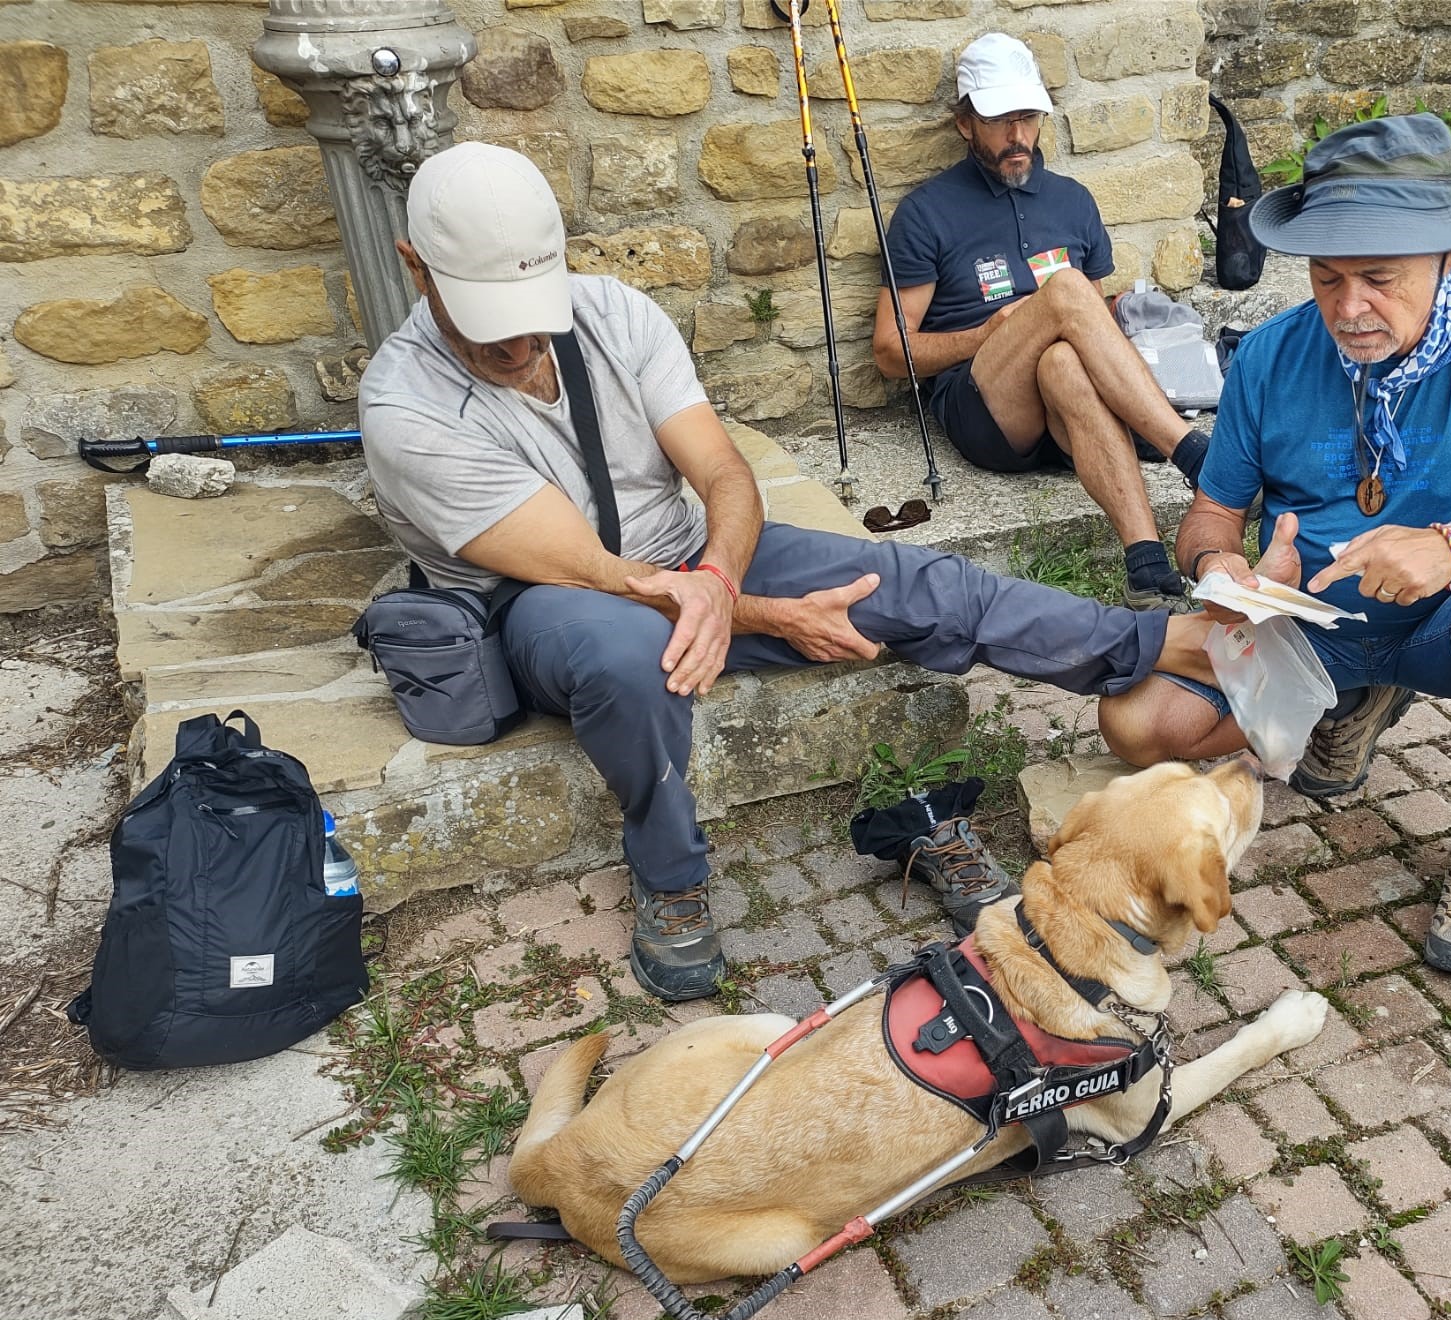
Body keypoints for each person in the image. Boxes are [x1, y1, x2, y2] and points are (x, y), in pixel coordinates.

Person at [358, 143, 1222, 1003]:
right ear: (415, 268)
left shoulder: (612, 314)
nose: (516, 340)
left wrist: (728, 588)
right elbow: (597, 573)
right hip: (558, 599)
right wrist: (770, 615)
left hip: (696, 562)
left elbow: (727, 478)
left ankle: (1162, 643)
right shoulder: (405, 405)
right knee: (629, 660)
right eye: (488, 315)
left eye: (528, 309)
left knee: (922, 583)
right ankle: (671, 877)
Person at [1098, 115, 1451, 979]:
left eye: (1380, 279)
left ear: (1444, 259)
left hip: (1450, 620)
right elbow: (1209, 514)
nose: (1350, 309)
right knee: (1133, 723)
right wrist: (1221, 570)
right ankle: (1351, 702)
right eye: (1326, 276)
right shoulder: (1271, 354)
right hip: (1304, 628)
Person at [870, 32, 1210, 611]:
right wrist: (988, 333)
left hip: (1067, 404)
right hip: (982, 402)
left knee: (1062, 357)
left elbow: (1095, 325)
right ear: (964, 124)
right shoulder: (926, 212)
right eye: (1001, 120)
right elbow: (888, 352)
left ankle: (1147, 565)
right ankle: (1192, 453)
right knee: (1068, 289)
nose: (1017, 136)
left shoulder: (1072, 200)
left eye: (1027, 118)